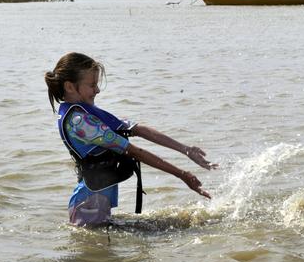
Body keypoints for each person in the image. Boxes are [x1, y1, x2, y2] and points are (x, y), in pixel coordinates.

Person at [45, 52, 217, 227]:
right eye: (92, 85)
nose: (97, 90)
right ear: (70, 87)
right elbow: (134, 151)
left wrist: (186, 150)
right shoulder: (80, 123)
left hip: (92, 205)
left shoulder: (85, 114)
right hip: (87, 208)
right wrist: (182, 175)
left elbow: (136, 129)